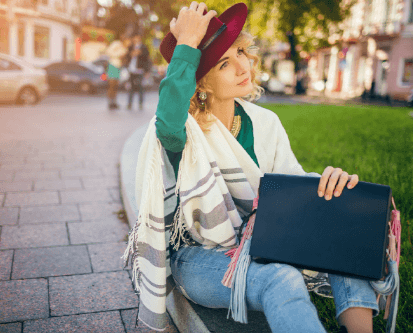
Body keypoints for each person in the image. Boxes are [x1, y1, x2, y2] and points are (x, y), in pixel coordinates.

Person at [123, 2, 379, 333]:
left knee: (341, 223)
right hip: (199, 258)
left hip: (266, 239)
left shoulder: (264, 122)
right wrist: (186, 43)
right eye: (225, 62)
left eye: (242, 51)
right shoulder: (184, 131)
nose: (244, 65)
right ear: (200, 82)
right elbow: (167, 121)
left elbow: (295, 190)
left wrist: (330, 186)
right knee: (281, 278)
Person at [125, 32, 152, 111]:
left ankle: (140, 104)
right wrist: (131, 54)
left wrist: (147, 71)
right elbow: (127, 57)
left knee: (140, 88)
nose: (135, 39)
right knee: (131, 88)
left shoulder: (144, 47)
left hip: (140, 70)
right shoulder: (131, 47)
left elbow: (147, 60)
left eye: (137, 37)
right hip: (131, 70)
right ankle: (129, 104)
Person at [105, 34, 131, 110]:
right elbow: (108, 51)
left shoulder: (125, 48)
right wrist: (118, 55)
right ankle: (110, 102)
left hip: (119, 67)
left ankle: (114, 102)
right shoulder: (116, 44)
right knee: (112, 84)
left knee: (116, 86)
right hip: (113, 65)